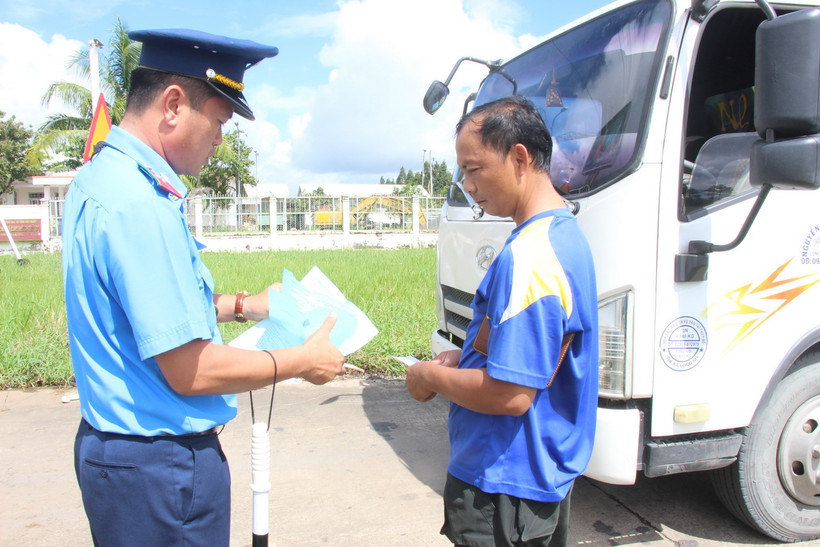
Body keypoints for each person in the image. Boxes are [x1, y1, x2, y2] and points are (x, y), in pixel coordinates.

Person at [62, 29, 345, 546]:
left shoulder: (101, 180)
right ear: (173, 105)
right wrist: (302, 362)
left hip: (120, 459)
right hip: (160, 471)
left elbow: (141, 307)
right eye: (218, 121)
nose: (220, 139)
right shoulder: (141, 206)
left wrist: (241, 306)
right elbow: (191, 370)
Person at [405, 95, 598, 546]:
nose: (467, 186)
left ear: (518, 157)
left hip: (503, 482)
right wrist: (467, 356)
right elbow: (519, 350)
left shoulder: (531, 257)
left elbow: (511, 394)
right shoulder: (561, 236)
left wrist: (427, 374)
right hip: (531, 481)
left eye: (474, 170)